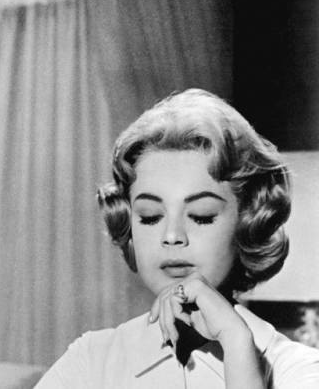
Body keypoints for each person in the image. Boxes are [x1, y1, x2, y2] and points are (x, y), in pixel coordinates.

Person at [36, 89, 319, 388]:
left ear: (248, 222)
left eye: (201, 216)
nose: (171, 236)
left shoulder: (298, 370)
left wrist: (237, 343)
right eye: (150, 217)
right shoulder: (90, 361)